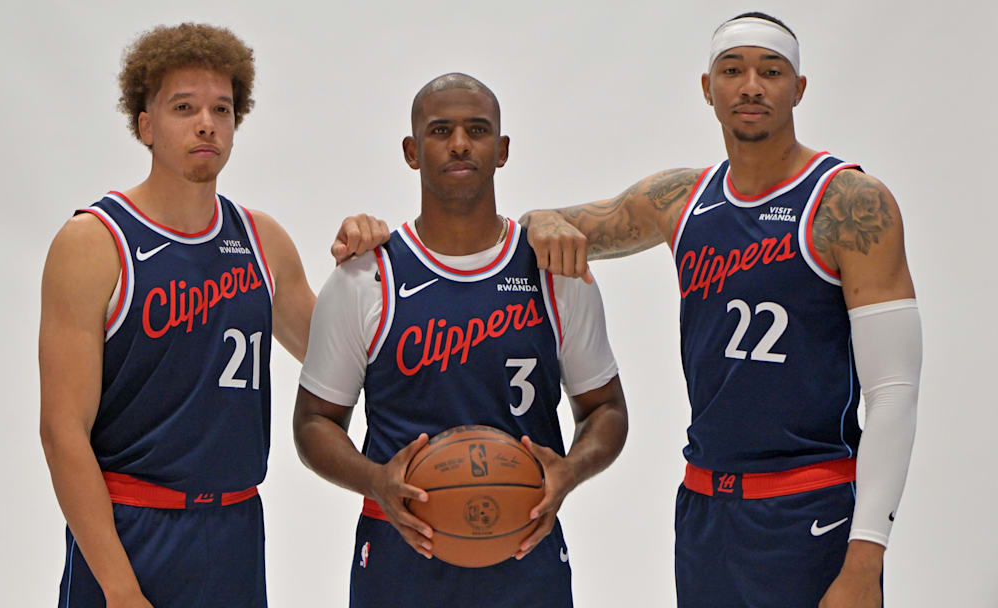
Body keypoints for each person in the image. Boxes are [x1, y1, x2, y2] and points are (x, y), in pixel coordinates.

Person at [522, 12, 921, 608]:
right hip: (706, 507)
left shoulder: (849, 202)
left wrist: (867, 555)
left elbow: (893, 388)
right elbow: (552, 227)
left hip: (811, 508)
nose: (751, 86)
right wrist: (542, 218)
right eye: (732, 71)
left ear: (799, 88)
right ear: (708, 88)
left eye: (771, 71)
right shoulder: (681, 199)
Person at [39, 23, 387, 607]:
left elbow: (345, 356)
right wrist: (119, 588)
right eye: (184, 107)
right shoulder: (95, 241)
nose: (206, 122)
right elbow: (62, 433)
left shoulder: (260, 240)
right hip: (130, 528)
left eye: (221, 109)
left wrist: (368, 263)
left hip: (235, 529)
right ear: (145, 125)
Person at [294, 73, 628, 608]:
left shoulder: (554, 271)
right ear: (410, 150)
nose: (459, 144)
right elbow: (313, 422)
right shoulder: (366, 277)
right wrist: (376, 479)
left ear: (502, 150)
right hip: (399, 559)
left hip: (526, 554)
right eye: (440, 130)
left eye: (477, 129)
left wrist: (571, 469)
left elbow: (606, 407)